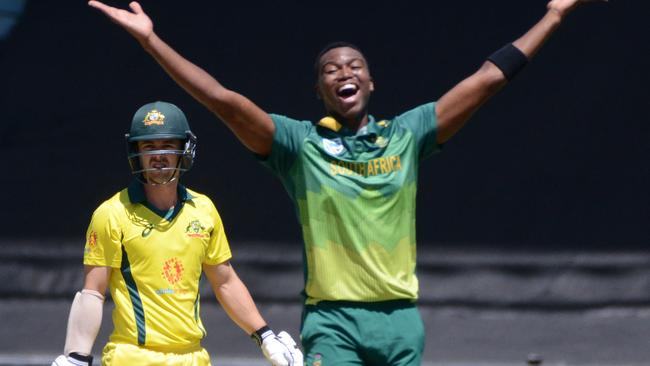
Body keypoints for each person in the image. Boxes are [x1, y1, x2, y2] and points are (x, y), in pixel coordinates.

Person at [88, 0, 606, 364]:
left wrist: (554, 15)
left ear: (370, 81)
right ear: (320, 89)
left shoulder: (408, 134)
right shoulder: (299, 146)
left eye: (354, 65)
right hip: (332, 324)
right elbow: (223, 101)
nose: (343, 72)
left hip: (401, 321)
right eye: (331, 69)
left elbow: (487, 80)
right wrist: (152, 41)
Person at [52, 101, 302, 366]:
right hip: (132, 357)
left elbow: (225, 281)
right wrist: (76, 356)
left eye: (168, 146)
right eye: (149, 147)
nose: (158, 155)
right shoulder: (111, 213)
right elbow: (93, 291)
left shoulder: (203, 209)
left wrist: (265, 336)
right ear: (135, 152)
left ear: (185, 150)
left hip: (193, 358)